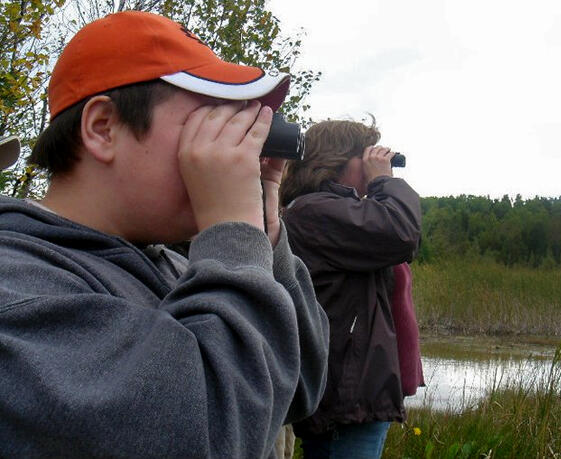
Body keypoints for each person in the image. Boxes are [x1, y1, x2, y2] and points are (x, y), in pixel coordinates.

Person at [0, 11, 329, 458]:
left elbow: (297, 392)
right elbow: (203, 439)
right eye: (209, 121)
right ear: (103, 128)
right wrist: (232, 231)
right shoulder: (18, 289)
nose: (233, 147)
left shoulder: (179, 266)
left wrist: (263, 237)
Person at [279, 119, 422, 458]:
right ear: (337, 160)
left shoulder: (338, 213)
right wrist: (384, 181)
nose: (376, 160)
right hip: (346, 400)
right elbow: (400, 232)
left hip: (355, 396)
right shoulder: (314, 211)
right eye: (366, 155)